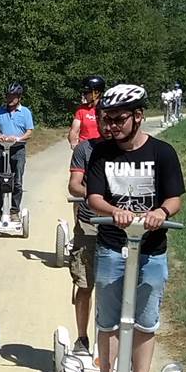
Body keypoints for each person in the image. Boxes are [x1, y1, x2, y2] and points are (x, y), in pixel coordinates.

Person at [83, 84, 185, 372]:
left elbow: (174, 198)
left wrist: (162, 213)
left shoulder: (163, 153)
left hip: (152, 250)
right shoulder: (101, 153)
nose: (110, 126)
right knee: (109, 322)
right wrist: (114, 211)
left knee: (144, 322)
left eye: (118, 119)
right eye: (106, 119)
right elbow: (93, 197)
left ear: (138, 116)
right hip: (113, 246)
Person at [66, 105, 105, 358]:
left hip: (120, 228)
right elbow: (74, 186)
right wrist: (97, 197)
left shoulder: (126, 152)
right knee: (85, 283)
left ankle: (109, 343)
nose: (108, 123)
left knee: (116, 287)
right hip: (90, 223)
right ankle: (82, 338)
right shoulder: (85, 149)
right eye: (104, 118)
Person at [0, 82, 34, 224]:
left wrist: (18, 138)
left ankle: (14, 211)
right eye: (8, 96)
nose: (10, 98)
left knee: (17, 181)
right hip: (1, 148)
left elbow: (30, 131)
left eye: (13, 96)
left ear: (19, 97)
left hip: (18, 149)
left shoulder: (25, 112)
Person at [66, 75, 105, 148]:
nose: (84, 95)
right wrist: (74, 143)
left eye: (87, 93)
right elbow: (74, 131)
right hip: (85, 147)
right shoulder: (81, 110)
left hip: (102, 148)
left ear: (96, 93)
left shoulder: (106, 109)